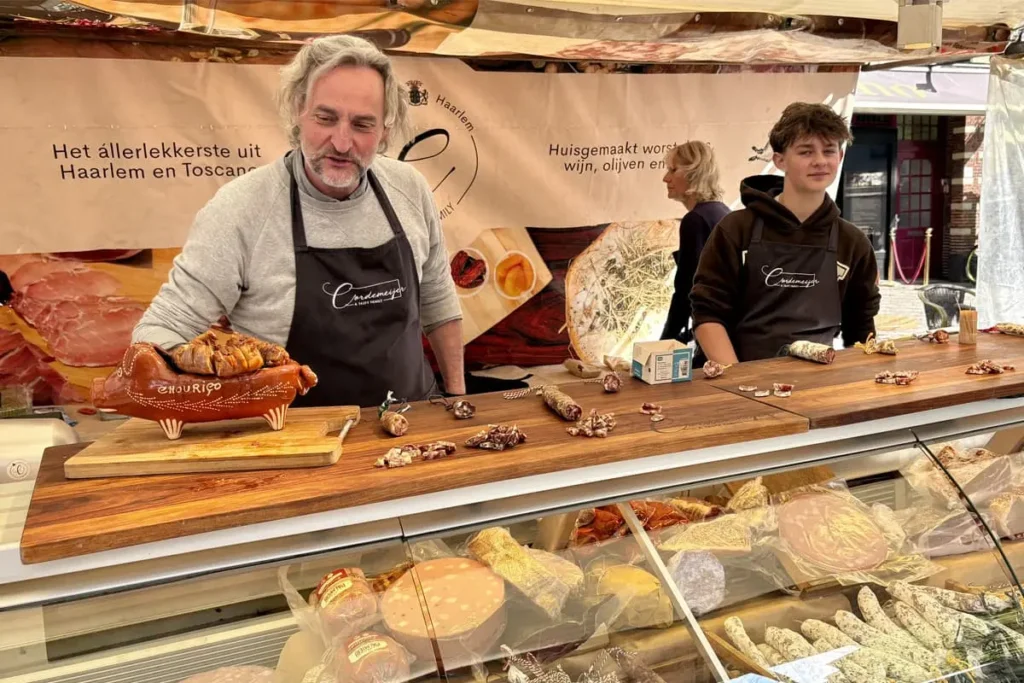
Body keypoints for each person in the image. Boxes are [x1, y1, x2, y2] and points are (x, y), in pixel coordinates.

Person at [133, 35, 465, 408]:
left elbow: (438, 300)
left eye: (362, 125)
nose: (341, 143)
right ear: (297, 109)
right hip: (292, 441)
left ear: (385, 130)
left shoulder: (409, 188)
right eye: (325, 118)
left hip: (412, 426)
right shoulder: (241, 208)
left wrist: (456, 397)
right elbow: (161, 329)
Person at [689, 102, 880, 364]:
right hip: (738, 377)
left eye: (829, 151)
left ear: (841, 157)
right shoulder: (736, 229)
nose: (820, 161)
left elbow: (861, 327)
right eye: (806, 152)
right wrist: (738, 383)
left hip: (819, 383)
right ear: (779, 160)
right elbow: (707, 314)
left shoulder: (853, 243)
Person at [660, 141, 731, 343]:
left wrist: (665, 341)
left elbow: (686, 290)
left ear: (694, 173)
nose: (666, 178)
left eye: (673, 170)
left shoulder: (696, 220)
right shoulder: (721, 211)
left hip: (713, 331)